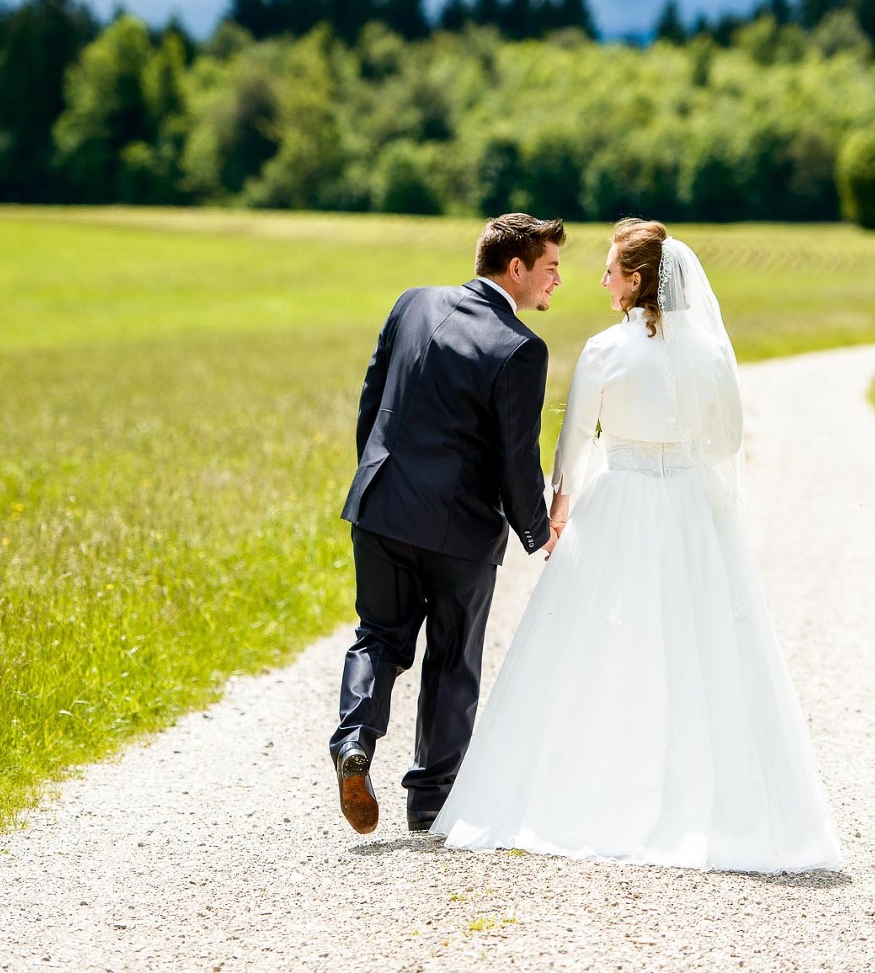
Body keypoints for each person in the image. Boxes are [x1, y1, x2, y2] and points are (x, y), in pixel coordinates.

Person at [431, 219, 844, 873]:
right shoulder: (708, 352)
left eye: (611, 268)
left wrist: (559, 508)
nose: (600, 279)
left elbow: (574, 444)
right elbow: (729, 438)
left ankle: (589, 787)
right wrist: (684, 463)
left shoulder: (603, 350)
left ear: (638, 280)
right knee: (694, 645)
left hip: (617, 499)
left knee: (598, 645)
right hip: (687, 504)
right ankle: (700, 794)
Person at [330, 213, 564, 835]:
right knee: (453, 658)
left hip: (380, 507)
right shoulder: (520, 347)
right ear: (515, 268)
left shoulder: (412, 303)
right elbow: (518, 461)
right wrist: (538, 533)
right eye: (550, 268)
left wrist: (377, 477)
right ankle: (429, 802)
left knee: (377, 636)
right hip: (459, 534)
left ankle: (354, 742)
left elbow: (372, 401)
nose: (557, 281)